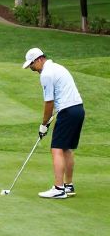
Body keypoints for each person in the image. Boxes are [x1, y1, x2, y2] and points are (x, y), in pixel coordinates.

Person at [22, 47, 85, 199]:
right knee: (66, 149)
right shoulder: (58, 67)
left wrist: (44, 124)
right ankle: (68, 186)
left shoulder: (46, 74)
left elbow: (49, 103)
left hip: (68, 112)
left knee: (56, 149)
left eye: (31, 64)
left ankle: (58, 188)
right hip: (78, 109)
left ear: (39, 59)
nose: (31, 68)